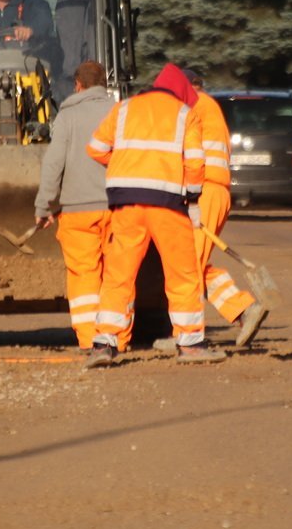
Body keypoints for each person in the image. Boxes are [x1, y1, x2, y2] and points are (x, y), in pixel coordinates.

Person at [84, 63, 225, 367]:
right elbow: (196, 163)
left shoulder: (124, 108)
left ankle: (103, 344)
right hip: (168, 204)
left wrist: (125, 164)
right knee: (182, 274)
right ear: (181, 92)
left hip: (126, 203)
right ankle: (190, 345)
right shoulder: (184, 114)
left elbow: (95, 148)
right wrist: (194, 198)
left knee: (118, 275)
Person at [33, 60, 127, 352]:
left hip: (77, 211)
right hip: (118, 209)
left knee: (84, 275)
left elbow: (54, 164)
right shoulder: (120, 114)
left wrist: (44, 205)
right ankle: (119, 339)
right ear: (104, 85)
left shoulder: (68, 116)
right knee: (118, 274)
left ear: (78, 85)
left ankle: (89, 342)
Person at [178, 68, 268, 348]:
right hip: (215, 191)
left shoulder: (192, 106)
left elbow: (184, 153)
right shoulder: (209, 106)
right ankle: (241, 310)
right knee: (196, 264)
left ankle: (186, 335)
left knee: (187, 267)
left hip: (203, 191)